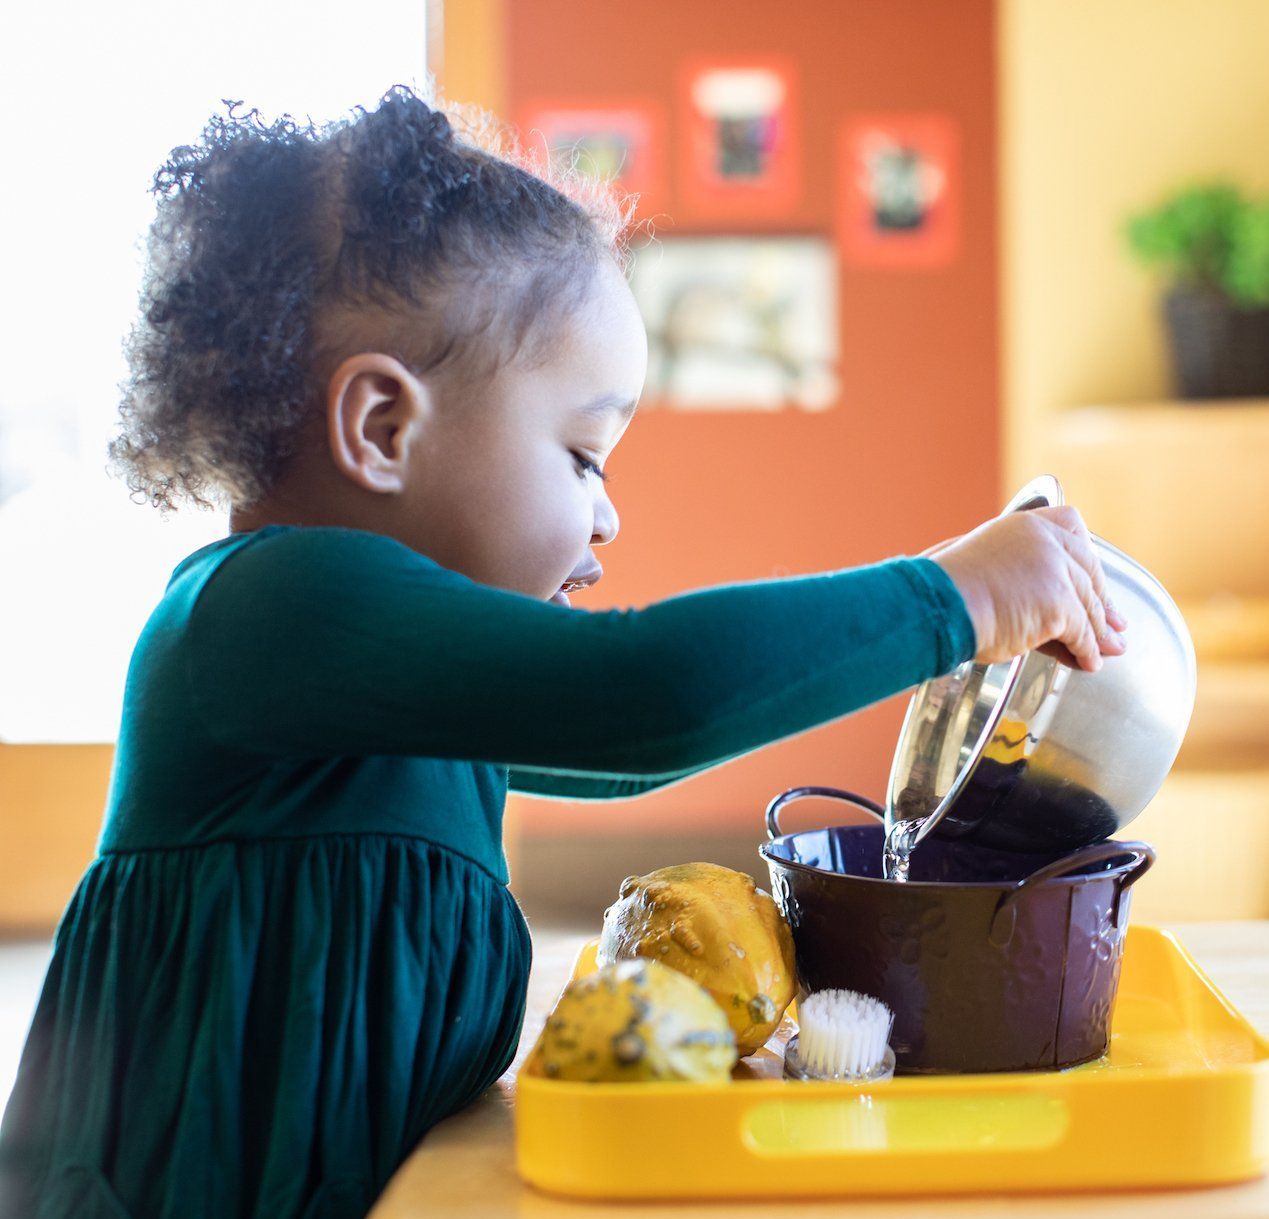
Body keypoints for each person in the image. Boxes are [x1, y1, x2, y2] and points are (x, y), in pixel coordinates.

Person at [0, 85, 1125, 1219]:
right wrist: (956, 596)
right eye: (584, 454)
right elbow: (644, 696)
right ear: (382, 428)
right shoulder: (272, 607)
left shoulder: (395, 678)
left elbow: (621, 745)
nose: (608, 518)